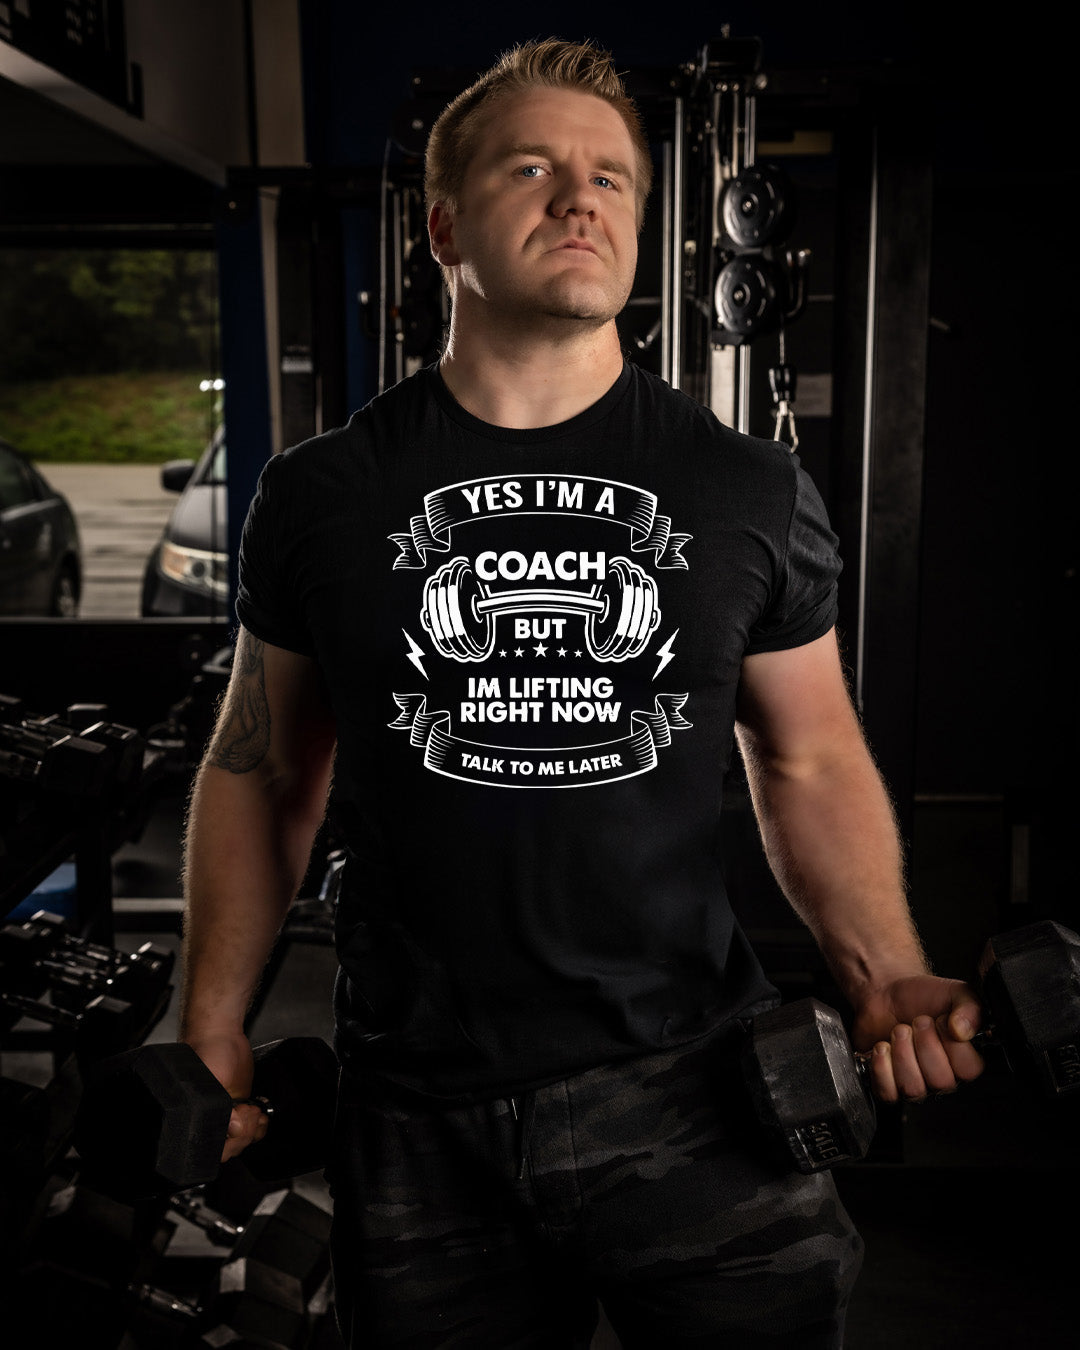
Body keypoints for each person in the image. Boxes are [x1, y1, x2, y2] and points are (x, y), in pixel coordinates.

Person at [179, 37, 984, 1349]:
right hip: (418, 1106)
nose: (582, 198)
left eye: (614, 176)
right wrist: (211, 1026)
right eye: (535, 166)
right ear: (443, 224)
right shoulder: (323, 494)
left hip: (688, 1089)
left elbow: (810, 760)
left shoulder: (746, 490)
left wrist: (887, 968)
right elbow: (261, 767)